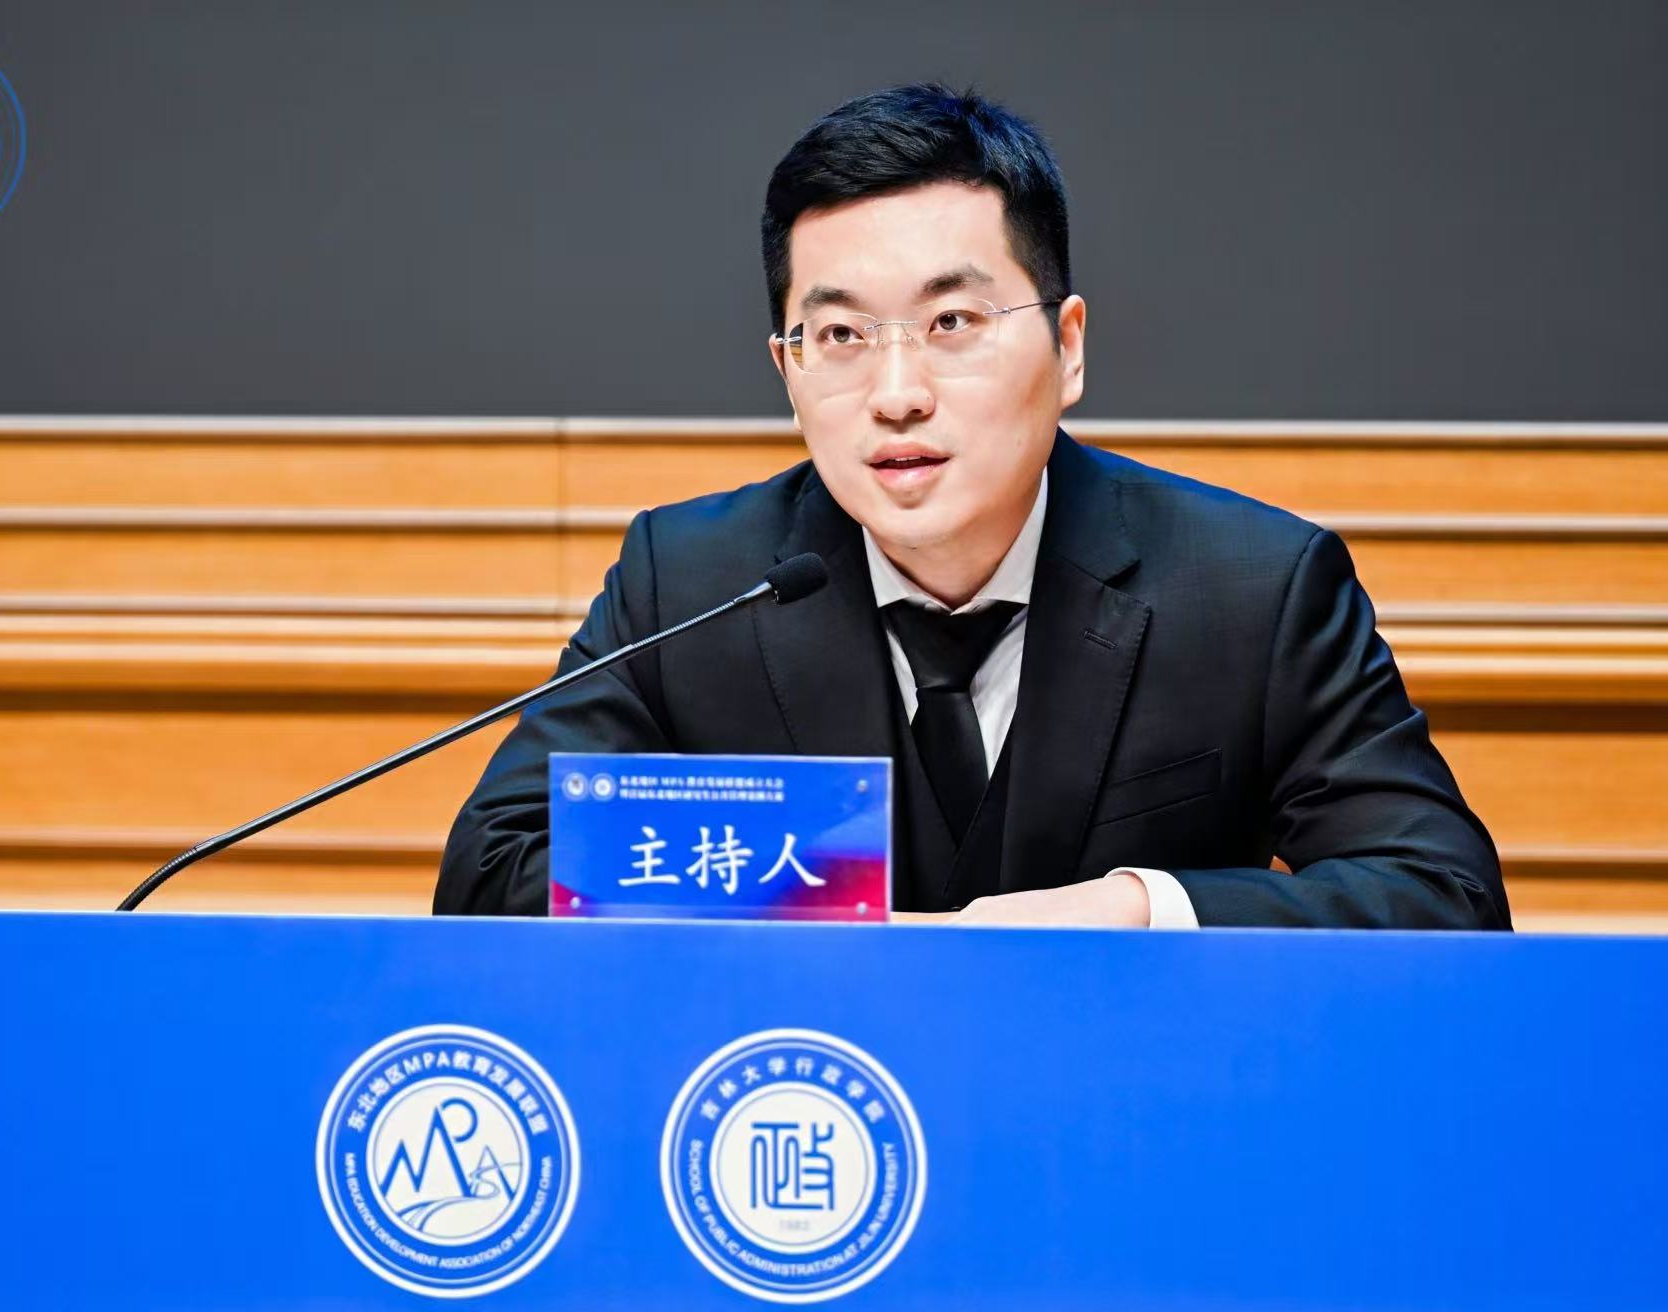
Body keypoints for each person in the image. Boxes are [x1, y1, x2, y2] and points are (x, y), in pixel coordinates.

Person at [435, 83, 1507, 929]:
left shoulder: (1253, 591)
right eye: (840, 336)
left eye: (952, 323)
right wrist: (810, 898)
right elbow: (493, 871)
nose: (896, 393)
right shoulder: (691, 583)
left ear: (1068, 346)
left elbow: (1442, 893)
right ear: (787, 370)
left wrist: (1141, 908)